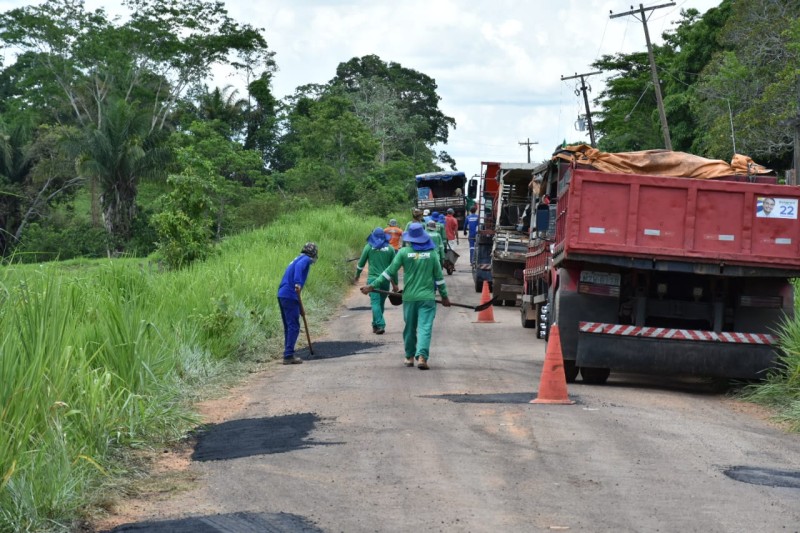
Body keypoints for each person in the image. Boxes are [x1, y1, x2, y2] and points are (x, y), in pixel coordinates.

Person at [360, 223, 450, 370]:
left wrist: (372, 285)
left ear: (410, 239)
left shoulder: (403, 253)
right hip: (427, 298)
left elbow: (388, 272)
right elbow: (439, 278)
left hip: (409, 298)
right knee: (425, 327)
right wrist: (444, 296)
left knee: (410, 328)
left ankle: (409, 357)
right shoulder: (432, 254)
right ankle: (422, 357)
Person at [277, 242, 318, 365]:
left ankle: (288, 352)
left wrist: (300, 307)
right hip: (289, 294)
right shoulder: (304, 259)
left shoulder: (296, 259)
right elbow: (300, 268)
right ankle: (288, 355)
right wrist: (298, 283)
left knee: (288, 326)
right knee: (294, 326)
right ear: (313, 254)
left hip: (282, 294)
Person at [355, 228, 398, 335]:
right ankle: (375, 325)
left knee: (375, 303)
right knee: (381, 303)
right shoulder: (390, 249)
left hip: (373, 280)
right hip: (385, 280)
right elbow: (393, 268)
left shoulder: (369, 247)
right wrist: (395, 283)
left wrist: (357, 276)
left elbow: (361, 264)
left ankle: (380, 324)